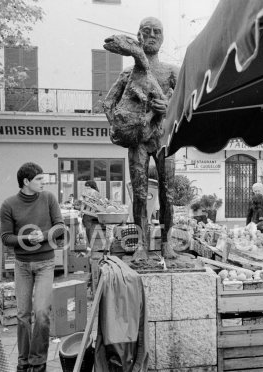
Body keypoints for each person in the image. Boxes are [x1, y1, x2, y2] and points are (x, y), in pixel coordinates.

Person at [103, 17, 179, 259]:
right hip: (138, 141)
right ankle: (141, 245)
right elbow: (108, 103)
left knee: (167, 194)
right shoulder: (129, 73)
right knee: (139, 194)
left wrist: (168, 107)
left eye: (157, 31)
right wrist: (118, 127)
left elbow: (188, 105)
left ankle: (166, 242)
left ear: (163, 37)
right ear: (138, 36)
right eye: (147, 31)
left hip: (165, 140)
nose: (152, 35)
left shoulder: (171, 71)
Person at [0, 162, 65, 372]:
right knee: (22, 315)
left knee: (42, 313)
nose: (43, 182)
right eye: (38, 179)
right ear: (26, 182)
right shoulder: (8, 205)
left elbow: (60, 226)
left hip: (46, 263)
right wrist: (27, 237)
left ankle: (38, 362)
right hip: (22, 266)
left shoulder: (49, 199)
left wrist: (44, 235)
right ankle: (23, 362)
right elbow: (6, 238)